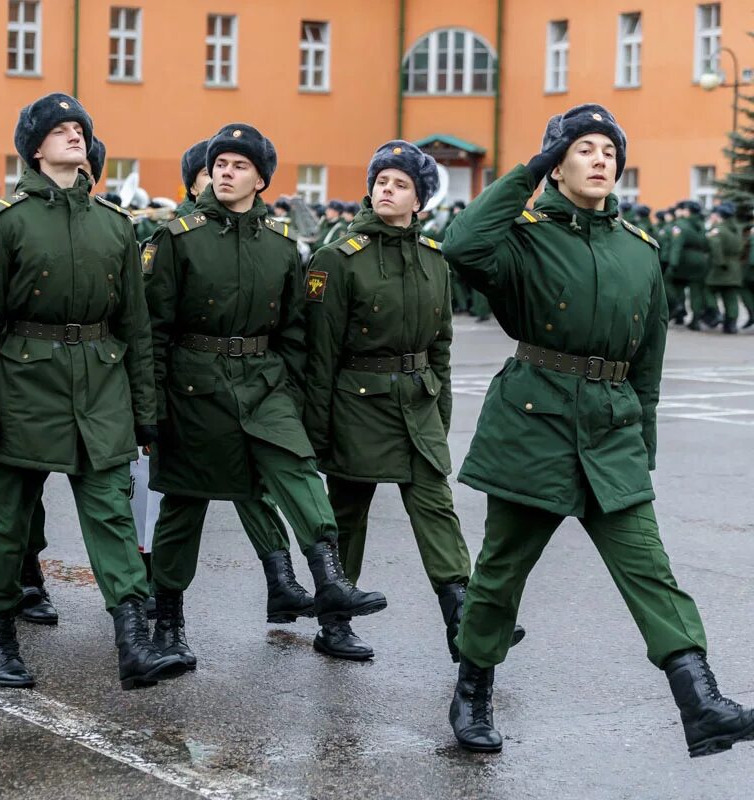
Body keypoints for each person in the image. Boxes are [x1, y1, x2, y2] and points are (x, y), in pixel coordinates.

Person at [441, 103, 754, 758]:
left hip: (612, 432)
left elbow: (650, 359)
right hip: (535, 424)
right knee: (501, 573)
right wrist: (527, 170)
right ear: (557, 164)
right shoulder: (522, 238)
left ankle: (701, 702)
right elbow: (463, 244)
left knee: (650, 570)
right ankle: (473, 690)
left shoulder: (639, 251)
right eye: (584, 148)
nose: (601, 159)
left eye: (609, 150)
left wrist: (645, 449)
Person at [0, 92, 189, 690]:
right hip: (26, 388)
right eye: (59, 129)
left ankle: (134, 643)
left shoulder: (114, 225)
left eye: (79, 128)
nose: (73, 136)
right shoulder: (3, 223)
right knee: (8, 523)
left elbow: (135, 327)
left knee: (112, 515)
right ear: (35, 148)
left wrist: (145, 413)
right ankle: (0, 639)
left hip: (101, 387)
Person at [143, 122, 385, 671]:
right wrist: (150, 408)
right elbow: (151, 332)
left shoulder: (280, 246)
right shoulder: (177, 238)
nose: (226, 174)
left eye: (238, 167)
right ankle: (169, 624)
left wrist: (292, 396)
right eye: (220, 164)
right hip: (193, 385)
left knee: (298, 468)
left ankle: (330, 580)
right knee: (184, 504)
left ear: (260, 179)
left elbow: (296, 331)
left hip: (264, 380)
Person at [304, 140, 524, 661]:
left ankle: (463, 621)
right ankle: (334, 624)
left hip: (417, 406)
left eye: (400, 184)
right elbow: (319, 355)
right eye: (382, 181)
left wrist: (440, 413)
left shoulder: (433, 261)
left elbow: (441, 346)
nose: (387, 189)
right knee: (347, 514)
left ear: (419, 200)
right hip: (357, 403)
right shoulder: (338, 260)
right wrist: (316, 431)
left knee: (436, 509)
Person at [669, 201, 712, 331]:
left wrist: (673, 263)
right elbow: (707, 244)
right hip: (701, 260)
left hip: (685, 260)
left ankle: (678, 307)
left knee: (670, 282)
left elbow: (677, 246)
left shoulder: (681, 225)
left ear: (688, 211)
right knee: (696, 291)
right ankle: (696, 320)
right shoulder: (701, 225)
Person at [704, 203, 743, 334]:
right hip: (735, 267)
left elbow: (716, 247)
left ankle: (715, 313)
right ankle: (731, 325)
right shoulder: (737, 229)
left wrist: (719, 263)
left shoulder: (718, 229)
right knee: (730, 296)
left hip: (721, 267)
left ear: (720, 215)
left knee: (708, 290)